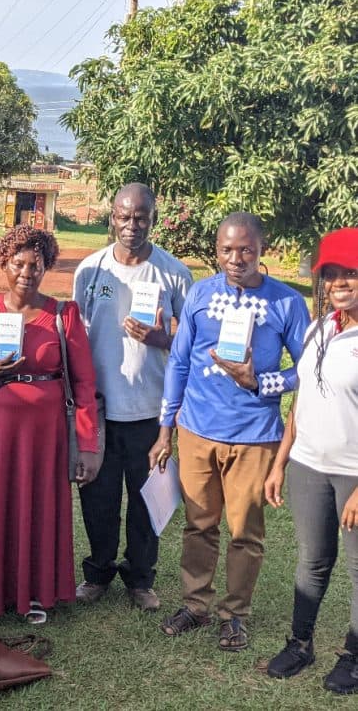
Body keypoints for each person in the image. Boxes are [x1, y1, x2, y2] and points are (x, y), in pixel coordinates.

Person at [149, 212, 310, 651]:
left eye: (245, 249)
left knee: (245, 532)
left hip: (255, 436)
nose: (235, 258)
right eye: (226, 249)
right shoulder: (201, 294)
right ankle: (195, 604)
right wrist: (166, 430)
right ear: (216, 249)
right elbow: (179, 364)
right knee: (199, 525)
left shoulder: (287, 303)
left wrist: (261, 382)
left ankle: (234, 614)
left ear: (262, 249)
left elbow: (307, 369)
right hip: (197, 431)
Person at [0, 225, 100, 625]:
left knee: (36, 507)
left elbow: (83, 384)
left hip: (45, 435)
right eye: (19, 263)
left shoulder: (63, 315)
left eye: (36, 264)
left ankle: (35, 593)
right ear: (4, 264)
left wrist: (87, 443)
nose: (27, 272)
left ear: (45, 267)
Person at [72, 183, 193, 612]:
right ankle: (99, 572)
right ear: (112, 217)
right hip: (101, 409)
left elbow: (189, 341)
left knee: (146, 501)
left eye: (140, 217)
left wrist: (162, 337)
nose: (131, 225)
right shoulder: (90, 270)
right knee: (98, 499)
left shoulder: (174, 273)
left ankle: (141, 579)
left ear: (153, 219)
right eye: (124, 216)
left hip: (150, 412)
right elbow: (77, 335)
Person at [264, 228, 358, 694]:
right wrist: (281, 461)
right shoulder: (319, 328)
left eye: (351, 274)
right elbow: (303, 403)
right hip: (306, 464)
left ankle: (355, 656)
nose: (341, 282)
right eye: (332, 275)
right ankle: (300, 644)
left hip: (353, 472)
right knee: (313, 560)